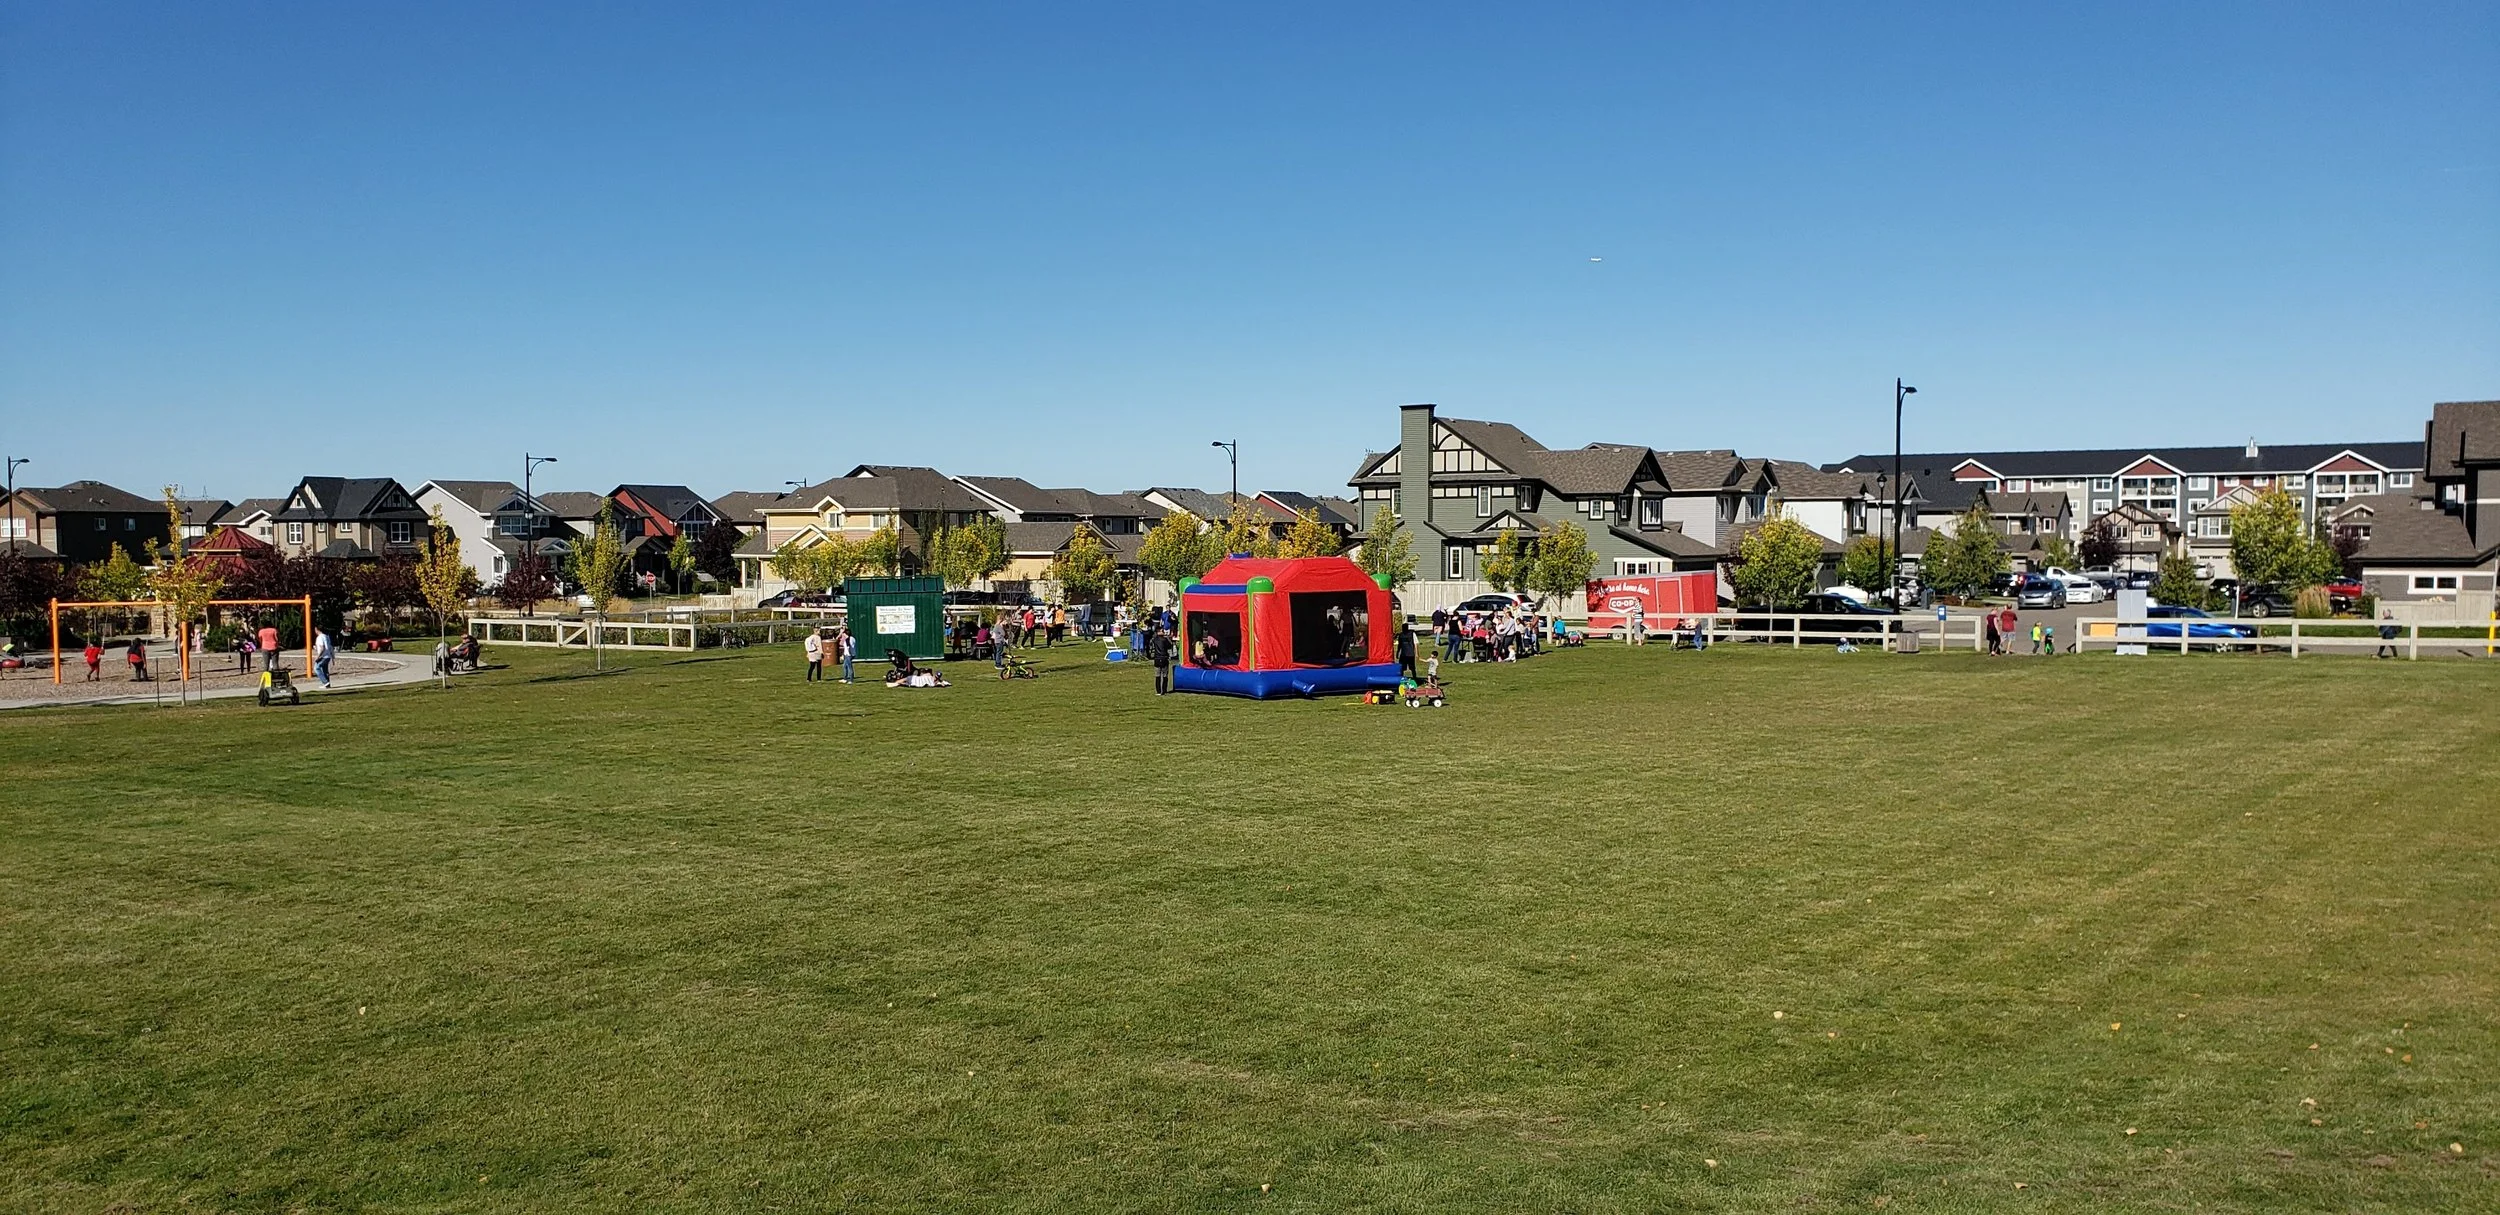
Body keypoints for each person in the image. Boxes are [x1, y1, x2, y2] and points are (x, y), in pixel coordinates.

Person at [1149, 625, 1174, 694]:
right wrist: (1168, 638)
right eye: (1162, 631)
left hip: (1157, 658)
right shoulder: (1164, 639)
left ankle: (1158, 691)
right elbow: (1169, 646)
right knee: (1165, 675)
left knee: (1157, 675)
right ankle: (1164, 690)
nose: (1164, 632)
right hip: (1164, 658)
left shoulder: (1154, 640)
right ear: (1159, 632)